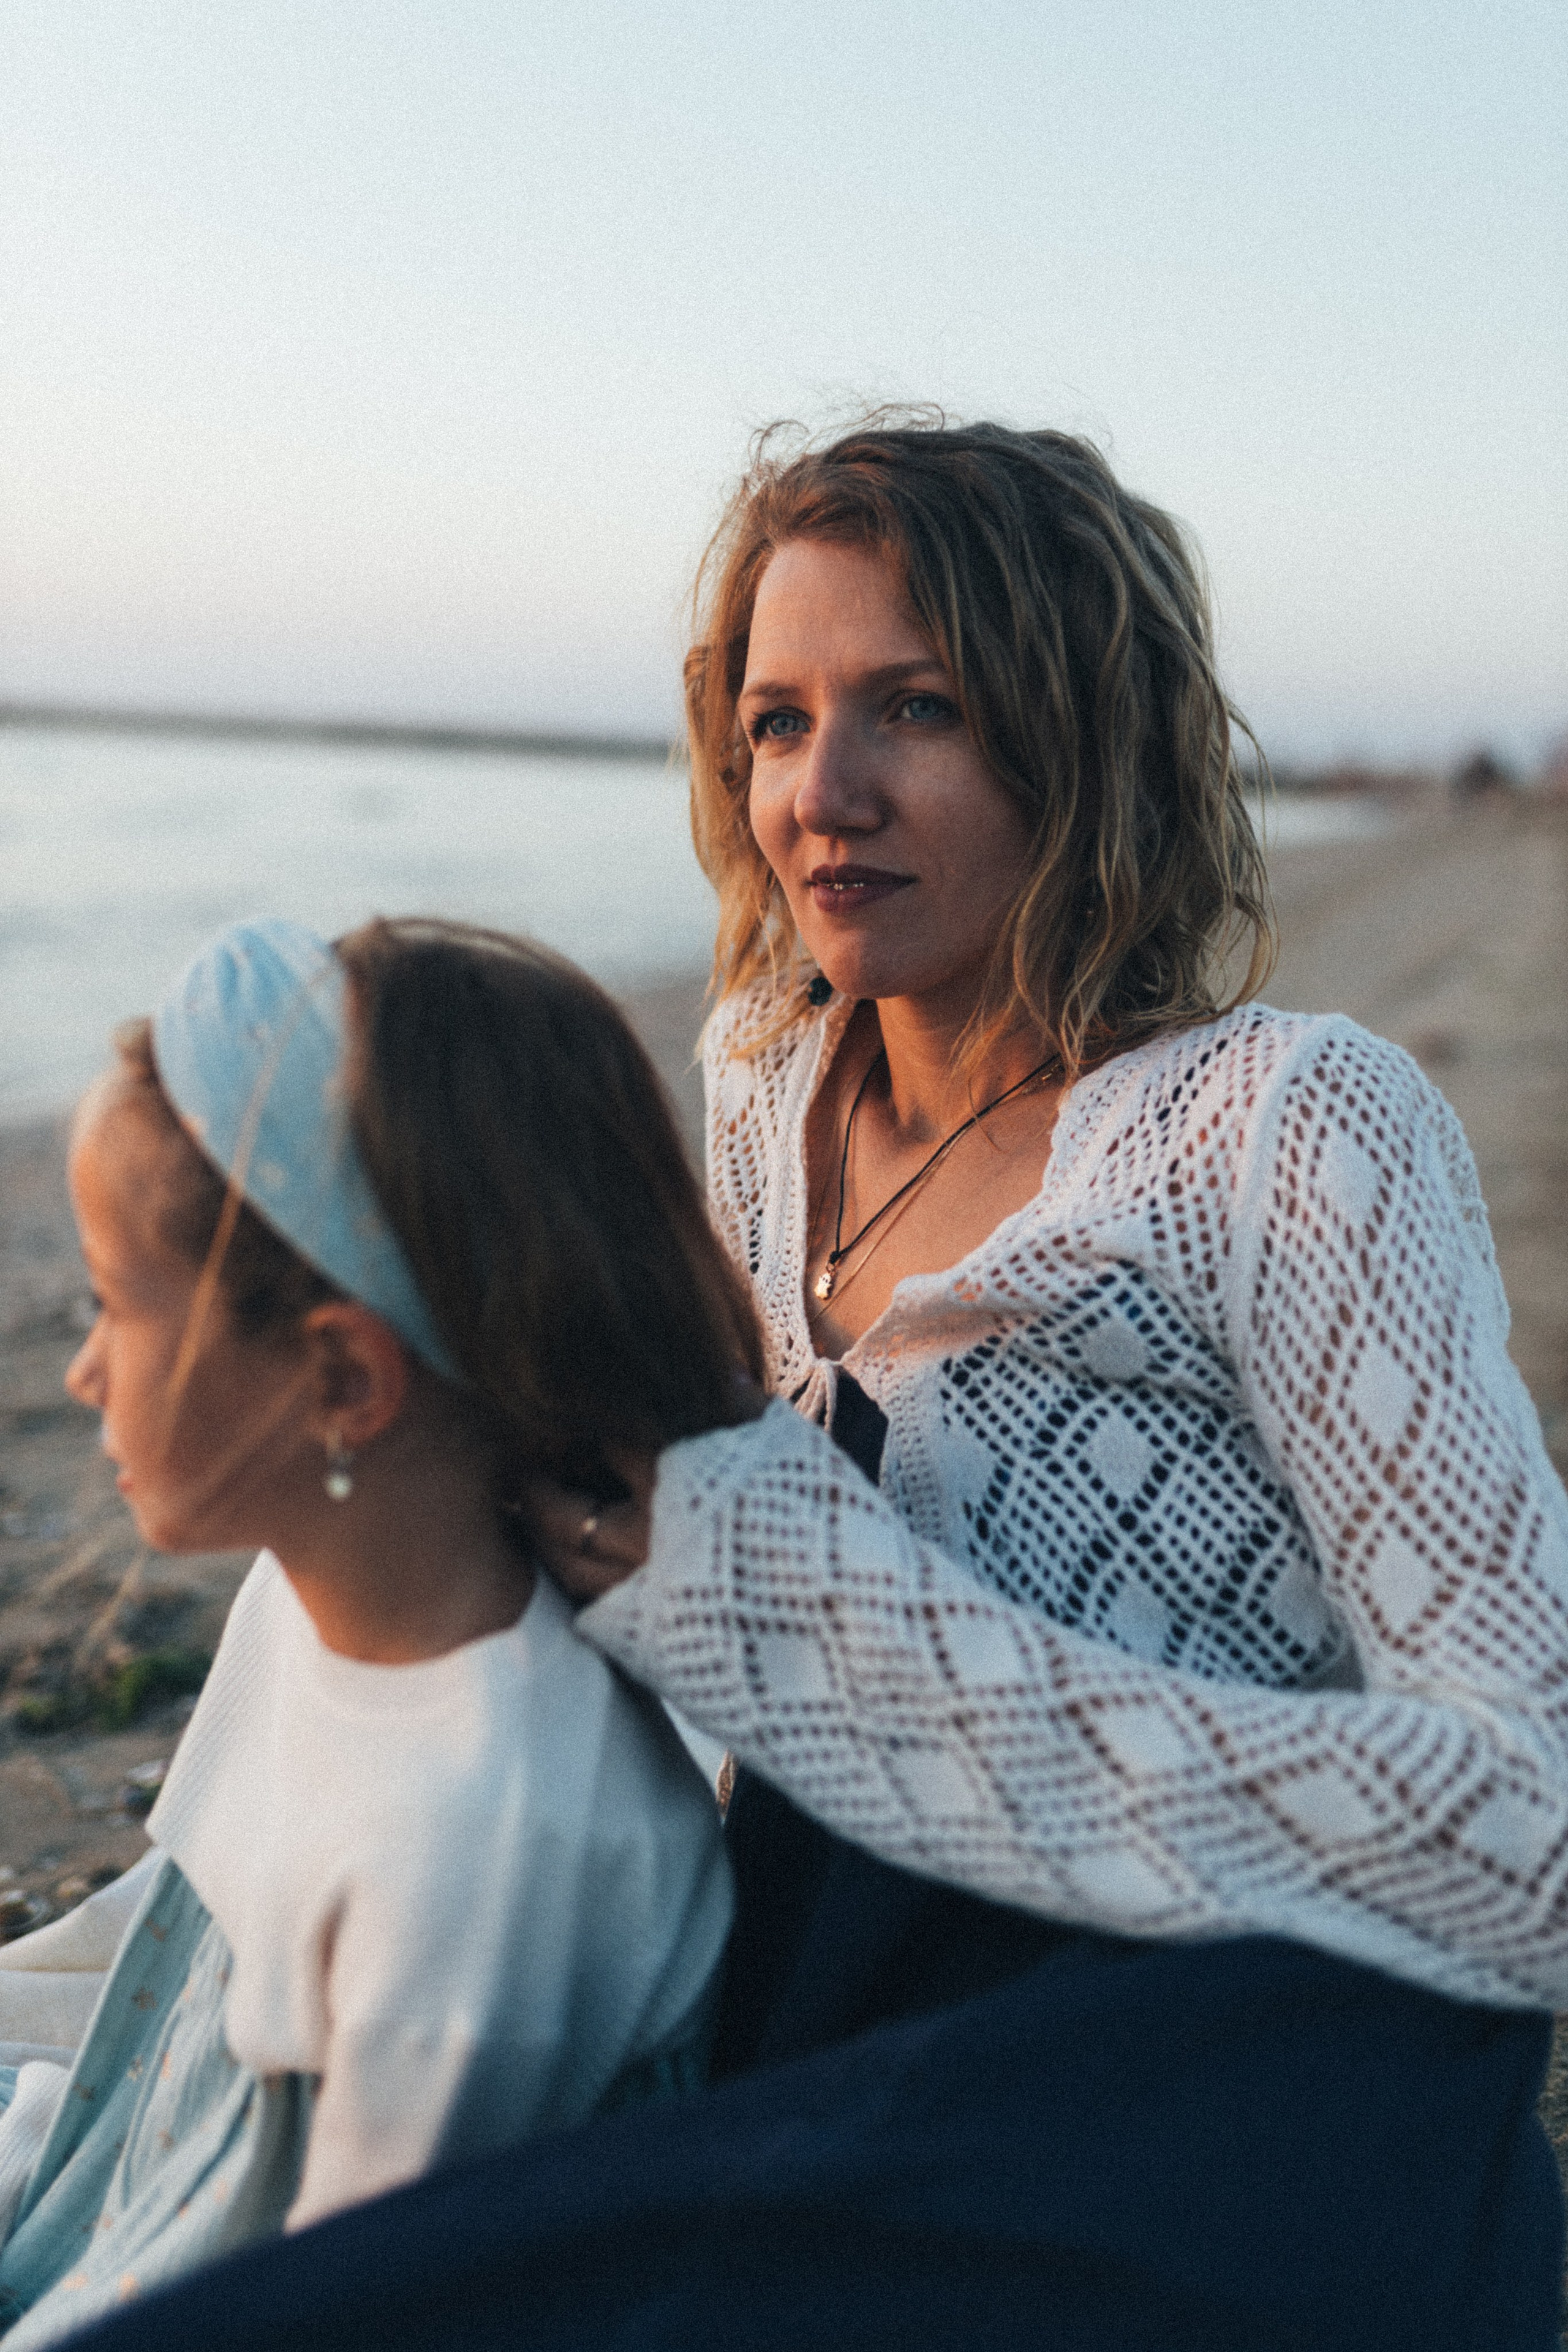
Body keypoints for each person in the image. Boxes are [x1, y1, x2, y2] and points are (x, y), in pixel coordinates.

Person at [42, 423, 1568, 2352]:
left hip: (1203, 2076)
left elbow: (1534, 1828)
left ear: (1080, 732)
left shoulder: (1285, 1129)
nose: (818, 796)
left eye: (912, 709)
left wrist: (814, 1615)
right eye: (773, 722)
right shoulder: (764, 1078)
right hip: (818, 2006)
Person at [0, 916, 756, 2345]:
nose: (80, 1368)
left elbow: (342, 2299)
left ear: (345, 1380)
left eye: (113, 1306)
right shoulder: (321, 1582)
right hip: (158, 2164)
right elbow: (182, 1986)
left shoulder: (479, 1856)